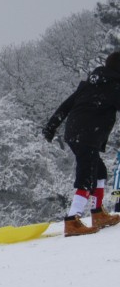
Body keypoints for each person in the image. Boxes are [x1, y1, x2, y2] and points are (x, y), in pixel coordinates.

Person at [43, 51, 120, 236]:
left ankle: (97, 212)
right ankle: (72, 220)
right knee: (87, 173)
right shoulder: (114, 86)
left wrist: (51, 127)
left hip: (75, 132)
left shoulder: (89, 84)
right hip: (88, 135)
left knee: (99, 171)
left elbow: (66, 105)